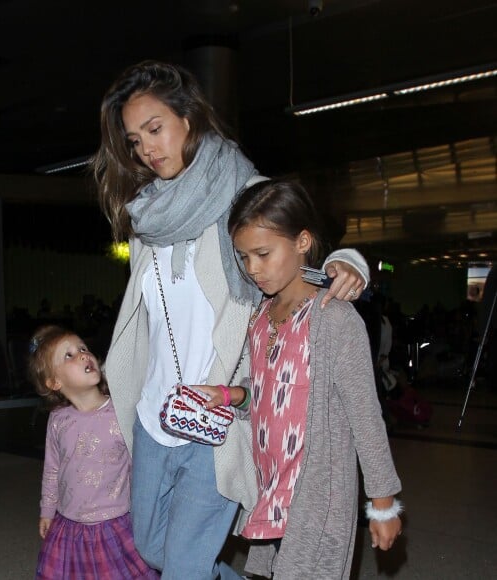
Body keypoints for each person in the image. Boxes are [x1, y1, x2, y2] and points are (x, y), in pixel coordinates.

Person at [91, 60, 370, 579]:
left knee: (182, 569)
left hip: (218, 418)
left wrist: (346, 263)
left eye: (156, 129)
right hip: (156, 413)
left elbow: (296, 239)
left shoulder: (241, 192)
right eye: (134, 140)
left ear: (189, 119)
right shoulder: (148, 215)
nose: (146, 148)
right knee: (153, 548)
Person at [203, 179, 401, 579]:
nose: (252, 269)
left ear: (302, 242)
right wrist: (232, 396)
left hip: (318, 492)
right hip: (271, 489)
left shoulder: (334, 319)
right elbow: (265, 396)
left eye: (263, 254)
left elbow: (365, 415)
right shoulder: (260, 318)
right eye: (244, 257)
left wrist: (383, 501)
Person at [27, 325, 159, 580]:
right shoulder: (58, 420)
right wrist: (46, 510)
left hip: (116, 520)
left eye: (83, 348)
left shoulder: (122, 412)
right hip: (69, 522)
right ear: (54, 382)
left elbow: (140, 465)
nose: (83, 355)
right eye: (69, 355)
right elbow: (52, 468)